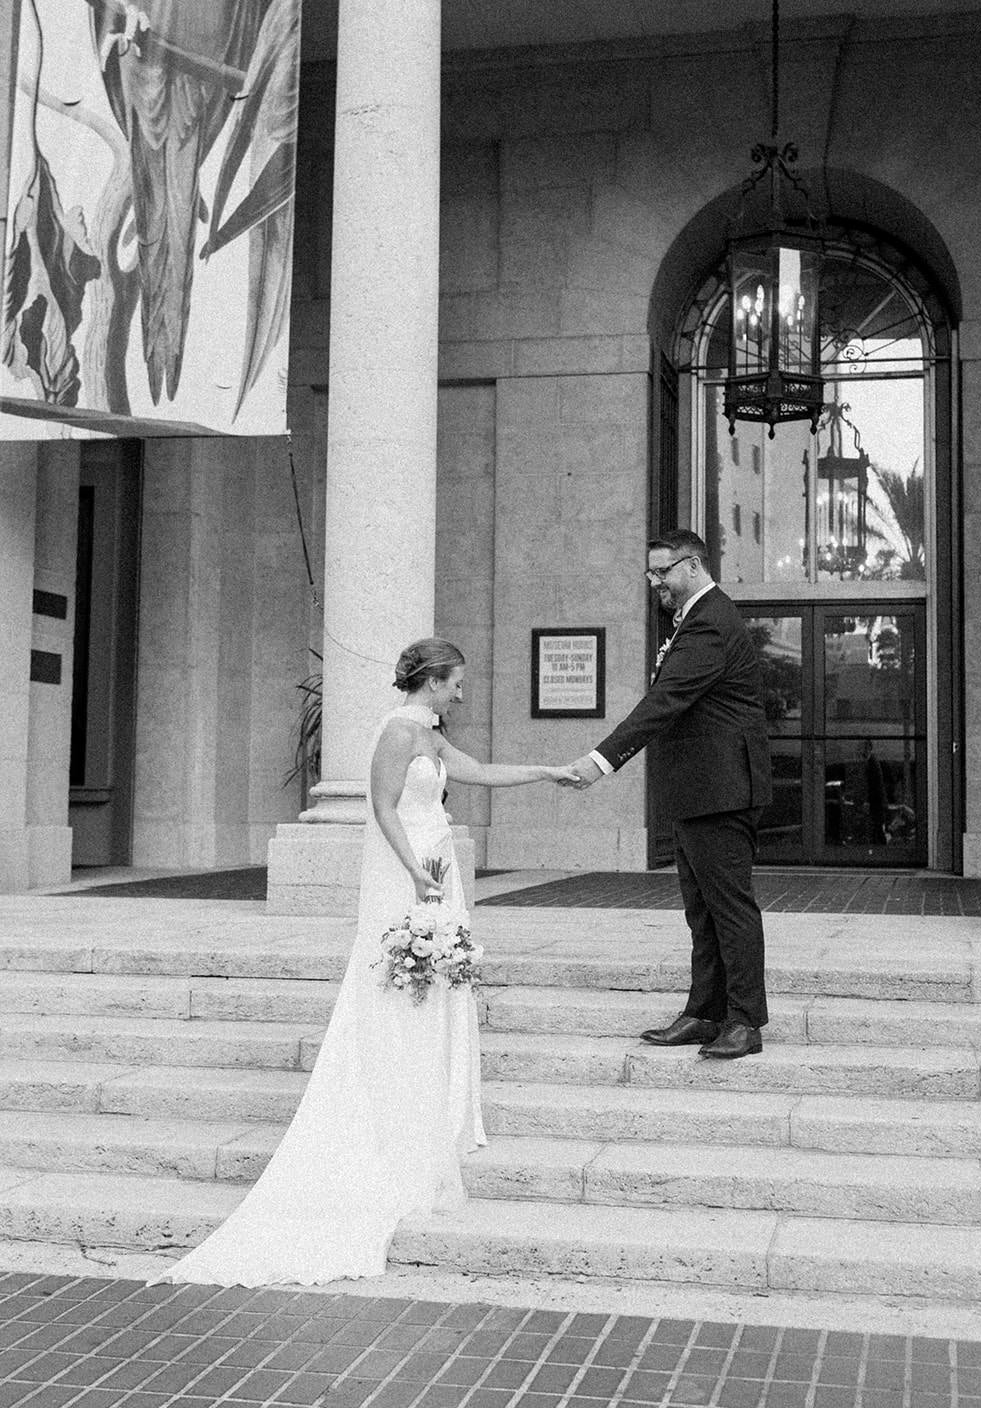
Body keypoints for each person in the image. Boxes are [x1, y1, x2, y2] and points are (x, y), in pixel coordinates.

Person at [154, 638, 578, 1287]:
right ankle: (384, 1105)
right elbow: (381, 809)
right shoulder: (396, 732)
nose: (462, 693)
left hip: (437, 867)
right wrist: (414, 873)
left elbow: (481, 772)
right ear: (431, 681)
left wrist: (548, 772)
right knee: (397, 978)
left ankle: (427, 1101)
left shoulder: (429, 733)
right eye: (456, 682)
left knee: (432, 980)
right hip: (407, 871)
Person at [569, 529, 772, 1059]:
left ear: (693, 566)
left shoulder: (711, 620)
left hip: (722, 790)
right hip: (699, 790)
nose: (654, 582)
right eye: (650, 572)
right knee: (701, 911)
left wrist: (600, 761)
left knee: (729, 909)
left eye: (662, 572)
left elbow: (667, 700)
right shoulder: (693, 619)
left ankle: (745, 1022)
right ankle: (705, 1014)